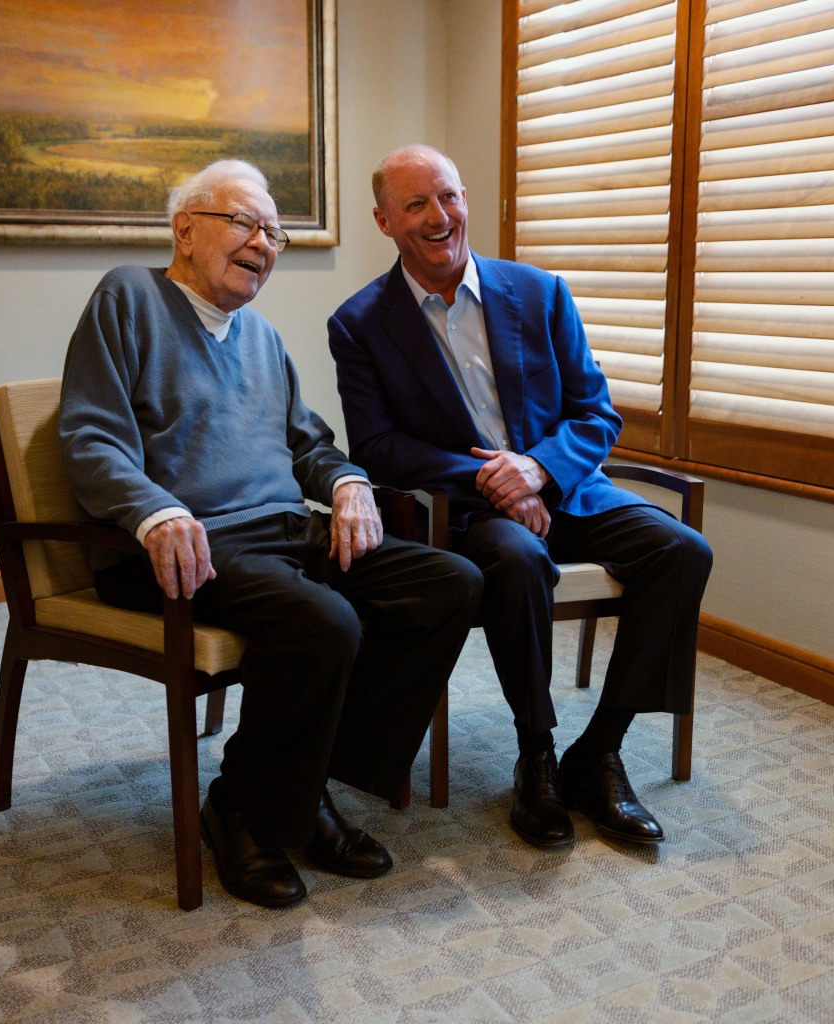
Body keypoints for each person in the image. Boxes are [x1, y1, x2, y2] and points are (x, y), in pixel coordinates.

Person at [59, 159, 483, 908]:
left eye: (274, 232)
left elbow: (308, 445)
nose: (263, 243)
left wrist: (348, 485)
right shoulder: (128, 296)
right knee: (326, 623)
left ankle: (305, 780)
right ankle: (240, 807)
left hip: (280, 535)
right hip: (176, 549)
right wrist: (153, 511)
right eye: (244, 223)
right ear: (185, 230)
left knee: (450, 584)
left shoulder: (259, 336)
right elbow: (92, 439)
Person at [327, 145, 712, 849]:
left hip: (567, 491)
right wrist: (488, 476)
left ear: (465, 198)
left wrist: (536, 468)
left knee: (682, 551)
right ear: (385, 221)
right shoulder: (359, 324)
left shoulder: (539, 292)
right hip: (470, 513)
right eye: (416, 205)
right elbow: (378, 447)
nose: (440, 217)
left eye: (448, 197)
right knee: (516, 560)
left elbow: (597, 413)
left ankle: (597, 752)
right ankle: (535, 753)